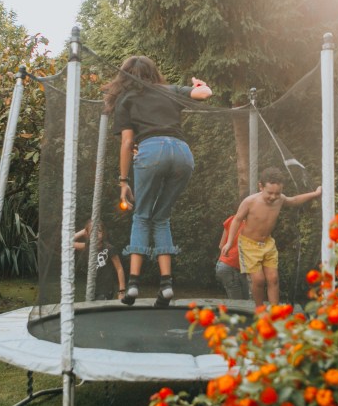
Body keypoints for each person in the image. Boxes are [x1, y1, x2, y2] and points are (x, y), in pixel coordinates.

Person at [104, 55, 212, 306]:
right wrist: (198, 84)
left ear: (126, 76)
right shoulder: (171, 90)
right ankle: (166, 287)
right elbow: (205, 94)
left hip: (152, 151)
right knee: (161, 217)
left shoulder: (126, 99)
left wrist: (123, 181)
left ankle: (132, 286)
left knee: (142, 215)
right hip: (183, 154)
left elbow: (128, 143)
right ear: (154, 73)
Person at [221, 167, 321, 305]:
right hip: (249, 245)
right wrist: (229, 242)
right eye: (270, 193)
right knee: (259, 280)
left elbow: (294, 200)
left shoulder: (280, 199)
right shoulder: (250, 202)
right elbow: (237, 220)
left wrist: (315, 194)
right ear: (261, 186)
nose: (273, 197)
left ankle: (275, 311)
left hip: (268, 244)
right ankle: (260, 309)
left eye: (277, 193)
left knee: (273, 279)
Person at [73, 219, 126, 301]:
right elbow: (68, 242)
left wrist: (121, 291)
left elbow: (119, 269)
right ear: (87, 234)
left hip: (106, 290)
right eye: (93, 231)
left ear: (103, 233)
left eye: (99, 231)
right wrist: (84, 231)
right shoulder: (87, 247)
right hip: (92, 289)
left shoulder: (109, 248)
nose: (96, 234)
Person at [216, 214, 251, 300]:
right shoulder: (253, 223)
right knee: (241, 304)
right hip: (235, 267)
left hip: (223, 265)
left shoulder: (231, 219)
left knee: (240, 303)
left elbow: (221, 245)